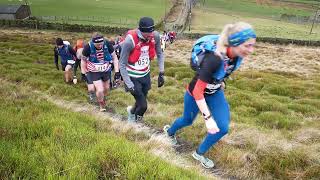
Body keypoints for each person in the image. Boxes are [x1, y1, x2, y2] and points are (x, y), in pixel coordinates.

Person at [163, 22, 256, 168]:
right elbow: (198, 91)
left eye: (253, 45)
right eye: (247, 45)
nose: (251, 50)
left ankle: (198, 154)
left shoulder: (236, 56)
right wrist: (208, 119)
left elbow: (223, 72)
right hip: (195, 94)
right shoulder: (214, 59)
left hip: (214, 93)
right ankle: (169, 132)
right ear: (235, 43)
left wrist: (220, 82)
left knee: (223, 128)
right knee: (187, 120)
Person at [120, 17, 165, 122]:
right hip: (132, 77)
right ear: (140, 31)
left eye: (152, 32)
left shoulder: (155, 36)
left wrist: (161, 73)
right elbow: (122, 64)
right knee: (143, 106)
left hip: (145, 74)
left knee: (140, 101)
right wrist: (129, 83)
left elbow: (160, 54)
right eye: (147, 34)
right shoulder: (129, 41)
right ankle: (135, 124)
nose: (150, 36)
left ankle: (131, 112)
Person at [81, 33, 121, 111]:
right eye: (97, 45)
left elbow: (115, 58)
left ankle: (102, 98)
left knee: (106, 88)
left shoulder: (108, 44)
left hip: (106, 70)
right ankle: (101, 105)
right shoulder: (88, 47)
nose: (99, 46)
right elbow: (83, 61)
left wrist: (117, 72)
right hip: (94, 71)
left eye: (101, 44)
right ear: (93, 43)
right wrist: (83, 73)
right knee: (100, 90)